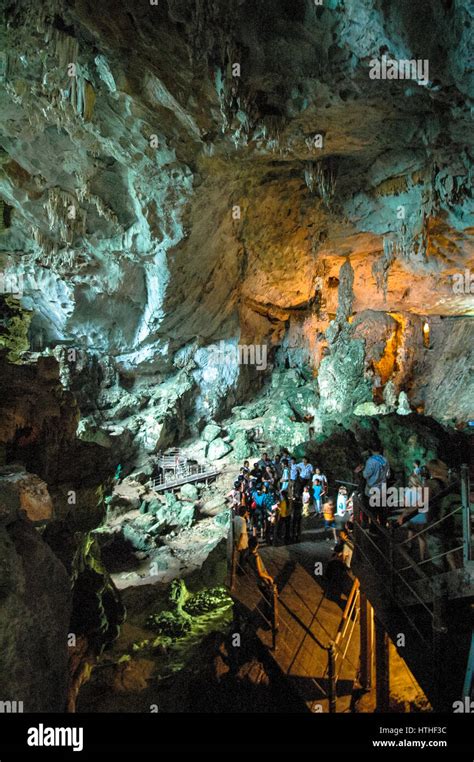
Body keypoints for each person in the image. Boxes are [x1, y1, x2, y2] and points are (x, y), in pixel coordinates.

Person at [360, 445, 390, 524]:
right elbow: (388, 475)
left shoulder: (370, 461)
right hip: (382, 489)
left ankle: (373, 530)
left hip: (372, 490)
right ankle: (383, 528)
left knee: (373, 512)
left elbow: (366, 475)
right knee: (382, 511)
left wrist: (362, 470)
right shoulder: (385, 460)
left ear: (371, 450)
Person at [233, 505, 249, 572]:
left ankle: (240, 569)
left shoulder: (235, 518)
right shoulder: (243, 521)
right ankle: (241, 571)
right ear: (244, 513)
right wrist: (239, 544)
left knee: (241, 557)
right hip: (242, 542)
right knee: (243, 557)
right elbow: (242, 534)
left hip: (236, 539)